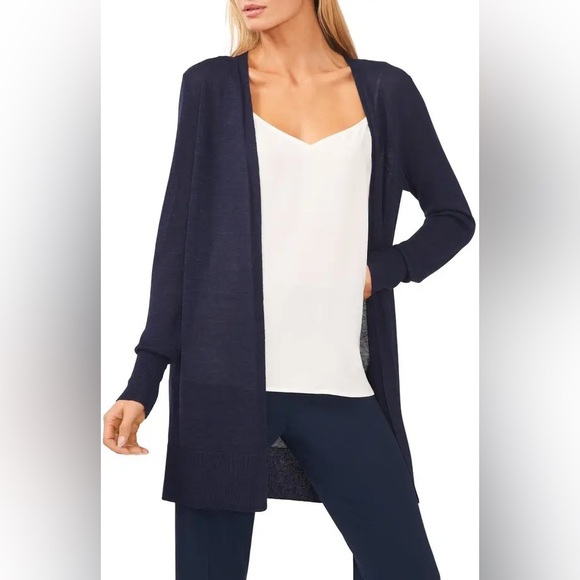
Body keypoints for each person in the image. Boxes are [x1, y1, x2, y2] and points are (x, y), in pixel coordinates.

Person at [103, 1, 476, 578]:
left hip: (339, 381)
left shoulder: (385, 90)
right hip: (220, 383)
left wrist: (379, 272)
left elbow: (452, 217)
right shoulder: (210, 87)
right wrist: (142, 381)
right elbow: (179, 241)